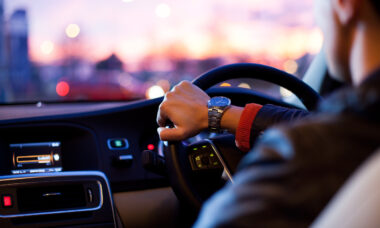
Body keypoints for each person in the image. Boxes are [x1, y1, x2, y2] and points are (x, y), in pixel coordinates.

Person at [157, 0, 380, 226]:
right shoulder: (359, 131)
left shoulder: (302, 160)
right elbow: (317, 123)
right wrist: (217, 114)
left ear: (345, 4)